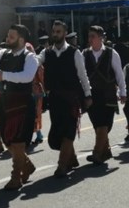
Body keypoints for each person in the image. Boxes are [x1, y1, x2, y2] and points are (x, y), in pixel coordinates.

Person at [0, 25, 38, 190]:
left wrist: (4, 75)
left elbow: (27, 77)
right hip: (5, 101)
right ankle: (26, 165)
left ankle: (16, 177)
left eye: (11, 37)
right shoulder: (3, 54)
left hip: (22, 102)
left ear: (21, 39)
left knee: (19, 141)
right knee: (7, 140)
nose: (7, 39)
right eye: (8, 36)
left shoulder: (30, 57)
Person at [37, 20, 92, 177]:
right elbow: (35, 62)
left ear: (65, 33)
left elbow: (83, 76)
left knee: (69, 131)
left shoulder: (75, 53)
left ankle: (62, 166)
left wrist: (88, 95)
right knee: (57, 134)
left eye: (58, 31)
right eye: (54, 31)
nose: (55, 34)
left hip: (71, 99)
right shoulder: (46, 53)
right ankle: (72, 158)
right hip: (54, 99)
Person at [83, 25, 126, 165]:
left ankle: (97, 153)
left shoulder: (111, 53)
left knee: (104, 124)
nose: (90, 39)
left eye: (93, 36)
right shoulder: (84, 54)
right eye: (89, 36)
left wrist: (123, 92)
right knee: (97, 124)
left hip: (107, 94)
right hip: (91, 95)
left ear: (101, 37)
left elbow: (119, 74)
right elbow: (81, 75)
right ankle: (104, 151)